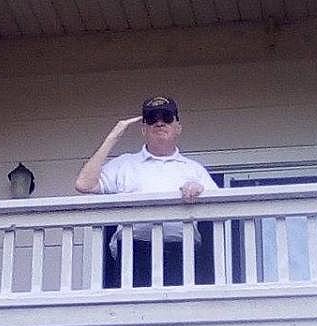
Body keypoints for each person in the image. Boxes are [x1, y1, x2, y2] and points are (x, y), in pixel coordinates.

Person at [74, 96, 217, 287]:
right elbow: (84, 184)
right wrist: (113, 137)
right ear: (143, 130)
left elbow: (218, 207)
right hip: (133, 253)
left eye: (166, 117)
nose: (159, 123)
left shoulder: (194, 169)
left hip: (181, 253)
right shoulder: (124, 164)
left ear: (178, 127)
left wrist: (200, 191)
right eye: (152, 119)